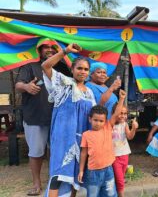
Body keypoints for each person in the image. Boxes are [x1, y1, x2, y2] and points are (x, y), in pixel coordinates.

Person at [15, 40, 70, 196]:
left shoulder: (62, 68)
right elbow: (18, 85)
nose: (50, 50)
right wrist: (26, 86)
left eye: (54, 47)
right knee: (36, 152)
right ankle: (37, 184)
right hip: (35, 117)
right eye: (46, 47)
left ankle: (55, 182)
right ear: (39, 50)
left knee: (57, 151)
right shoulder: (30, 66)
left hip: (58, 118)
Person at [42, 44, 96, 197]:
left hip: (81, 138)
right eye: (79, 68)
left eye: (86, 69)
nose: (82, 72)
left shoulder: (90, 93)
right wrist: (65, 51)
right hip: (63, 137)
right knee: (58, 173)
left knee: (76, 174)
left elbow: (93, 117)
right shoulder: (64, 83)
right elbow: (45, 66)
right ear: (72, 69)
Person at [78, 90, 126, 197]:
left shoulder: (108, 127)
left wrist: (122, 99)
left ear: (105, 121)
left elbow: (116, 113)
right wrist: (81, 171)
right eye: (95, 120)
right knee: (93, 195)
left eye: (101, 121)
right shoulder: (86, 135)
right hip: (93, 172)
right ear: (90, 119)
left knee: (110, 194)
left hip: (108, 170)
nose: (98, 123)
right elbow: (83, 154)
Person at [111, 103, 139, 197]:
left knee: (120, 178)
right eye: (120, 113)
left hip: (124, 154)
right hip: (114, 156)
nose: (123, 115)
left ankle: (115, 193)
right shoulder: (110, 125)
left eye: (125, 113)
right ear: (114, 113)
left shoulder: (125, 124)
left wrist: (134, 129)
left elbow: (130, 137)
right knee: (120, 180)